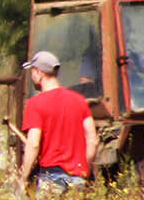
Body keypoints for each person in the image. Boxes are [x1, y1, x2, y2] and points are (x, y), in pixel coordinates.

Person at [18, 49, 98, 191]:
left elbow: (33, 144)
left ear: (39, 73)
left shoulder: (35, 103)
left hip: (50, 177)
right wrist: (83, 169)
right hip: (78, 178)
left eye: (32, 71)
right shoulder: (79, 101)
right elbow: (92, 140)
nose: (32, 76)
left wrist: (23, 177)